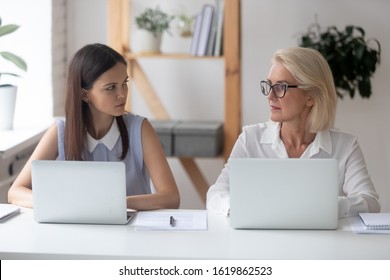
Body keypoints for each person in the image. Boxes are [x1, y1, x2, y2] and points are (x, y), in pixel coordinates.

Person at [206, 47, 380, 218]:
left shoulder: (346, 147)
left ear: (311, 96)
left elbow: (370, 202)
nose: (270, 96)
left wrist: (323, 206)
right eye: (269, 85)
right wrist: (240, 207)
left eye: (281, 86)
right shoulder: (250, 139)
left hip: (323, 244)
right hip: (261, 243)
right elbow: (216, 194)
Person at [8, 43, 180, 210]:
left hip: (133, 233)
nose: (122, 94)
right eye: (111, 87)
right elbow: (15, 192)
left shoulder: (140, 129)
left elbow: (171, 197)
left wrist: (117, 203)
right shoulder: (60, 131)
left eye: (124, 83)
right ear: (84, 94)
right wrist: (57, 202)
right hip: (76, 233)